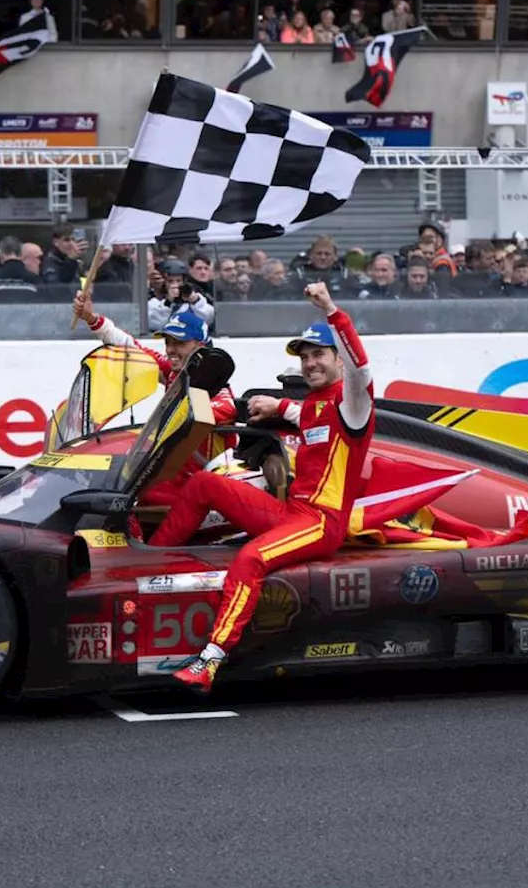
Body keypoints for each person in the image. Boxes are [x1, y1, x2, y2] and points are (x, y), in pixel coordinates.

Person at [149, 282, 375, 694]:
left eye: (318, 355)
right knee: (205, 484)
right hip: (292, 513)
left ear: (338, 359)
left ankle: (210, 661)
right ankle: (151, 561)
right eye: (304, 357)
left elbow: (361, 370)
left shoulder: (353, 399)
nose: (309, 364)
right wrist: (276, 406)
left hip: (322, 523)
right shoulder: (314, 404)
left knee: (250, 559)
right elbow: (302, 413)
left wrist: (330, 309)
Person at [71, 290, 237, 506]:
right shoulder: (173, 372)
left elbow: (226, 410)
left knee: (123, 497)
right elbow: (130, 346)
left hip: (203, 485)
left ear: (200, 346)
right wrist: (92, 319)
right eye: (168, 342)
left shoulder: (220, 393)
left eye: (179, 343)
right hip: (171, 475)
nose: (170, 350)